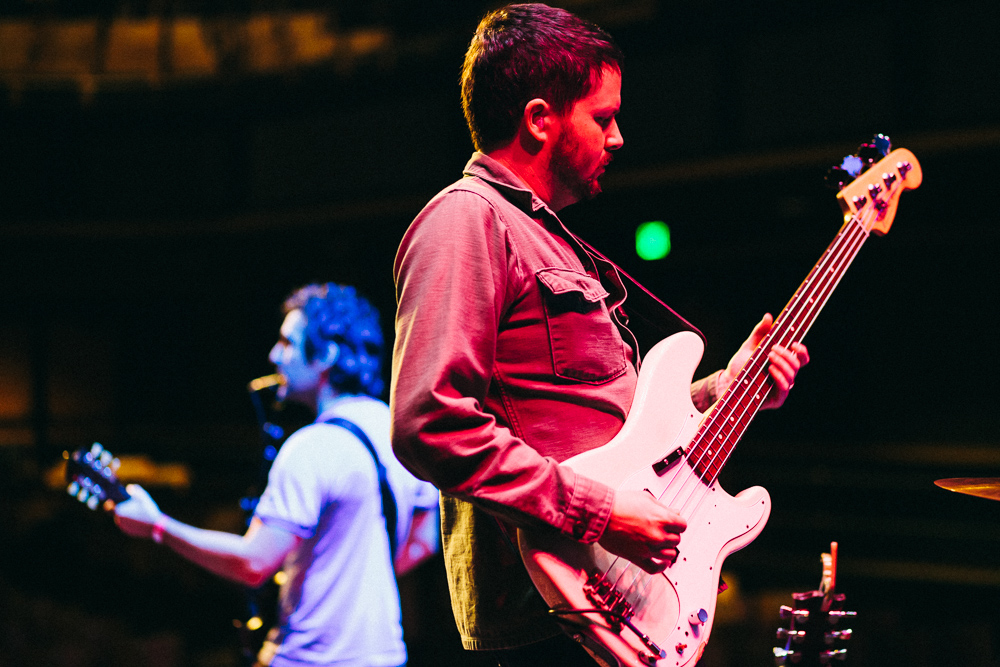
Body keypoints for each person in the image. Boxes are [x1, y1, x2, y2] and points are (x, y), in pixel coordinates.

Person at [389, 4, 810, 665]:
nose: (618, 137)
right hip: (549, 614)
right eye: (603, 116)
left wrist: (729, 387)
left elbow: (613, 430)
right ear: (537, 120)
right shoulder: (466, 221)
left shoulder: (552, 239)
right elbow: (426, 420)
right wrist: (603, 513)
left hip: (607, 605)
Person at [115, 283, 439, 667]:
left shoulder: (312, 446)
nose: (274, 355)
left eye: (287, 343)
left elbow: (253, 564)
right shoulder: (396, 430)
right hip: (384, 655)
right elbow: (424, 541)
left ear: (326, 355)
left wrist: (158, 526)